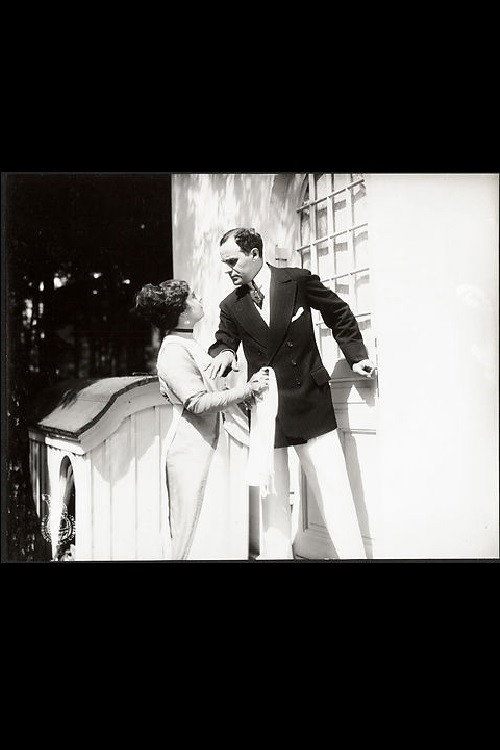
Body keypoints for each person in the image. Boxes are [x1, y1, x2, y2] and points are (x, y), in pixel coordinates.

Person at [207, 228, 376, 560]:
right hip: (267, 406)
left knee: (333, 487)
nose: (229, 269)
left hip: (310, 397)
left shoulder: (296, 280)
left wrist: (356, 356)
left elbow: (338, 312)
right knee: (272, 495)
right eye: (225, 263)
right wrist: (224, 352)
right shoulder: (231, 305)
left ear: (254, 254)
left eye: (233, 261)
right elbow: (224, 339)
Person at [135, 280, 269, 560]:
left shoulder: (187, 343)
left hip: (211, 443)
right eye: (193, 297)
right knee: (196, 532)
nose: (200, 300)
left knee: (218, 529)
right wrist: (248, 389)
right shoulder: (173, 350)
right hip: (193, 450)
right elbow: (197, 403)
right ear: (183, 312)